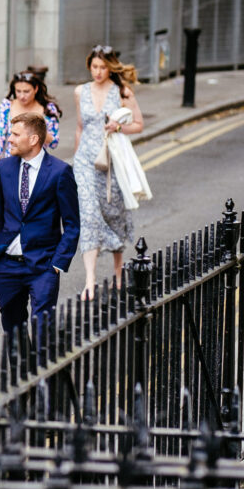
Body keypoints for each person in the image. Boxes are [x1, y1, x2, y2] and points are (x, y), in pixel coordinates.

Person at [0, 112, 81, 335]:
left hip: (43, 266)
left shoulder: (60, 171)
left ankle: (43, 371)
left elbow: (72, 224)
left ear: (34, 139)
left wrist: (57, 263)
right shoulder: (4, 167)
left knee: (42, 331)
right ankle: (21, 371)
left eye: (16, 135)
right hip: (6, 265)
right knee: (14, 330)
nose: (10, 139)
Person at [71, 45, 144, 299]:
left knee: (113, 213)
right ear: (89, 66)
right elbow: (80, 127)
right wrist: (75, 160)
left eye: (103, 67)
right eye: (94, 67)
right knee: (89, 215)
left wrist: (118, 127)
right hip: (84, 162)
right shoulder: (80, 91)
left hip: (112, 162)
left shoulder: (122, 92)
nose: (98, 72)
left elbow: (139, 124)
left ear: (111, 67)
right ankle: (90, 279)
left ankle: (118, 272)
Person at [0, 67, 62, 184]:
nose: (22, 96)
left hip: (37, 165)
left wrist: (38, 128)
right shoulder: (6, 106)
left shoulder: (48, 109)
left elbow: (54, 143)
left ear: (36, 89)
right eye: (18, 91)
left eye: (26, 91)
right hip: (11, 162)